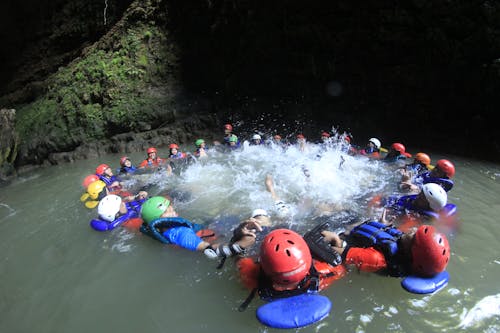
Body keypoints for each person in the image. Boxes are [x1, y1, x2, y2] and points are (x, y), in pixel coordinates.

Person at [233, 228, 347, 308]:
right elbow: (342, 267)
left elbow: (238, 258)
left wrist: (238, 238)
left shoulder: (250, 275)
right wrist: (337, 242)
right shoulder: (327, 273)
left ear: (263, 263)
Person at [320, 221, 450, 278]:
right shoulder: (402, 243)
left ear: (411, 251)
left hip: (347, 235)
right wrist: (383, 225)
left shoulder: (376, 259)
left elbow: (339, 251)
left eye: (414, 235)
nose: (413, 230)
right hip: (355, 226)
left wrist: (336, 239)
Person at [139, 196, 250, 259]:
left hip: (206, 228)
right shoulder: (180, 233)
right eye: (167, 211)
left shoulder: (167, 230)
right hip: (218, 232)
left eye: (170, 207)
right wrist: (241, 244)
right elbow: (209, 250)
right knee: (238, 211)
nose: (173, 210)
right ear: (158, 220)